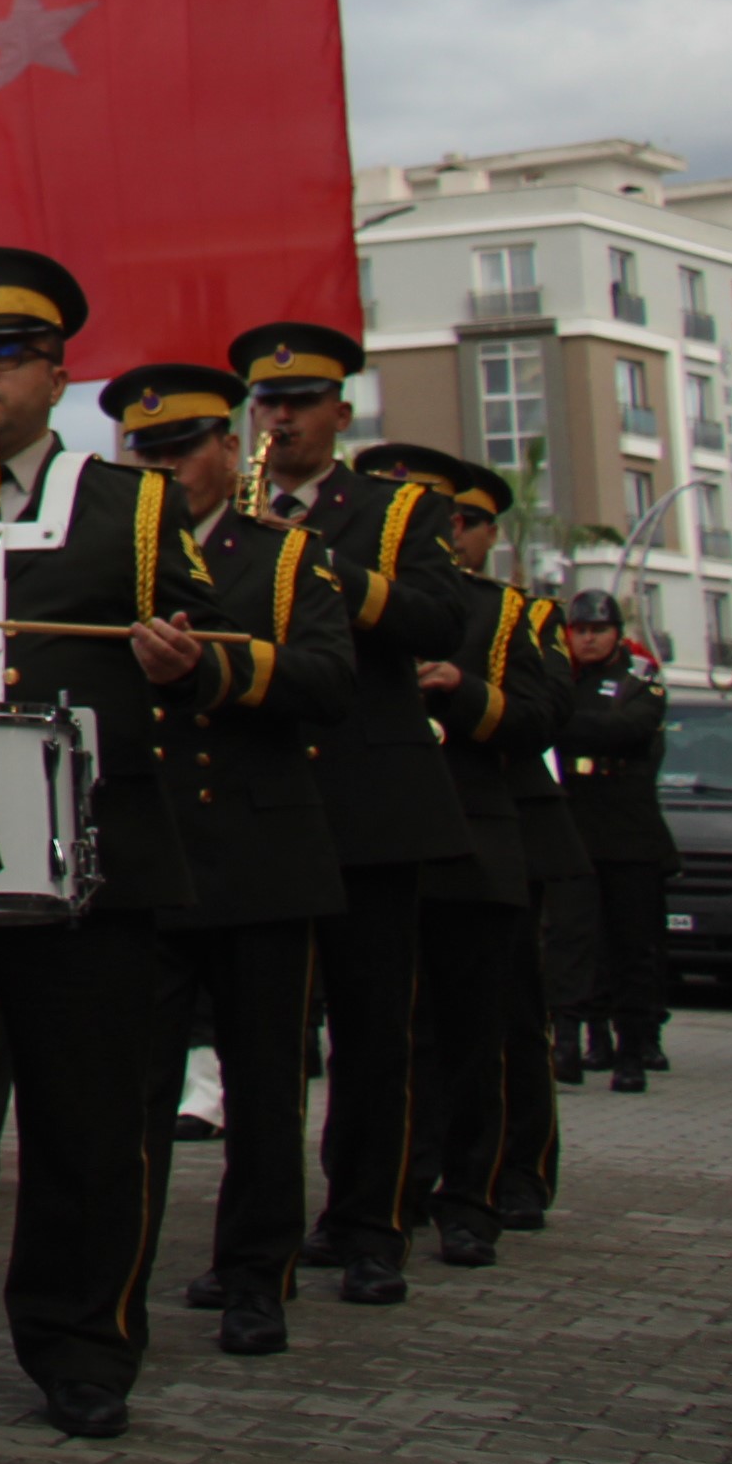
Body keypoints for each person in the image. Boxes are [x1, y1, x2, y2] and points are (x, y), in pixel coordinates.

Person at [0, 251, 234, 1442]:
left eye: (7, 352)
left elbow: (230, 645)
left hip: (86, 859)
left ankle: (82, 1341)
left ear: (59, 370)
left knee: (88, 1121)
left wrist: (193, 660)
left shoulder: (135, 504)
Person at [226, 320, 478, 1308]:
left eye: (299, 402)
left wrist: (316, 567)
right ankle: (264, 1240)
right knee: (266, 1037)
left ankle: (371, 1222)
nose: (279, 418)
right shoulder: (230, 510)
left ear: (340, 409)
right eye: (266, 403)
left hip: (371, 799)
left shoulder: (393, 509)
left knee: (376, 1028)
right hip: (271, 798)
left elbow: (435, 617)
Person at [112, 364, 354, 1359]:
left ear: (226, 448)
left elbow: (332, 677)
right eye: (148, 454)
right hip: (151, 855)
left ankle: (257, 1270)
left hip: (260, 855)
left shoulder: (285, 560)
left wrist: (214, 665)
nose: (168, 471)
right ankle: (112, 1287)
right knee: (131, 1094)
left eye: (184, 450)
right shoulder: (113, 560)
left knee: (263, 1088)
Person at [399, 511, 567, 1269]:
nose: (443, 537)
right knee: (392, 1038)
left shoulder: (504, 611)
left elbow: (540, 718)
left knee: (490, 1030)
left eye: (455, 521)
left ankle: (484, 1191)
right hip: (385, 838)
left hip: (478, 840)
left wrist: (462, 688)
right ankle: (383, 1196)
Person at [552, 586, 674, 1092]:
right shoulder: (559, 678)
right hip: (575, 829)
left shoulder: (641, 678)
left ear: (617, 634)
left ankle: (632, 1050)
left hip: (629, 831)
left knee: (631, 947)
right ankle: (571, 1041)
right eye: (580, 630)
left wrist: (568, 726)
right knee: (571, 944)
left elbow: (632, 727)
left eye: (598, 630)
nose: (588, 639)